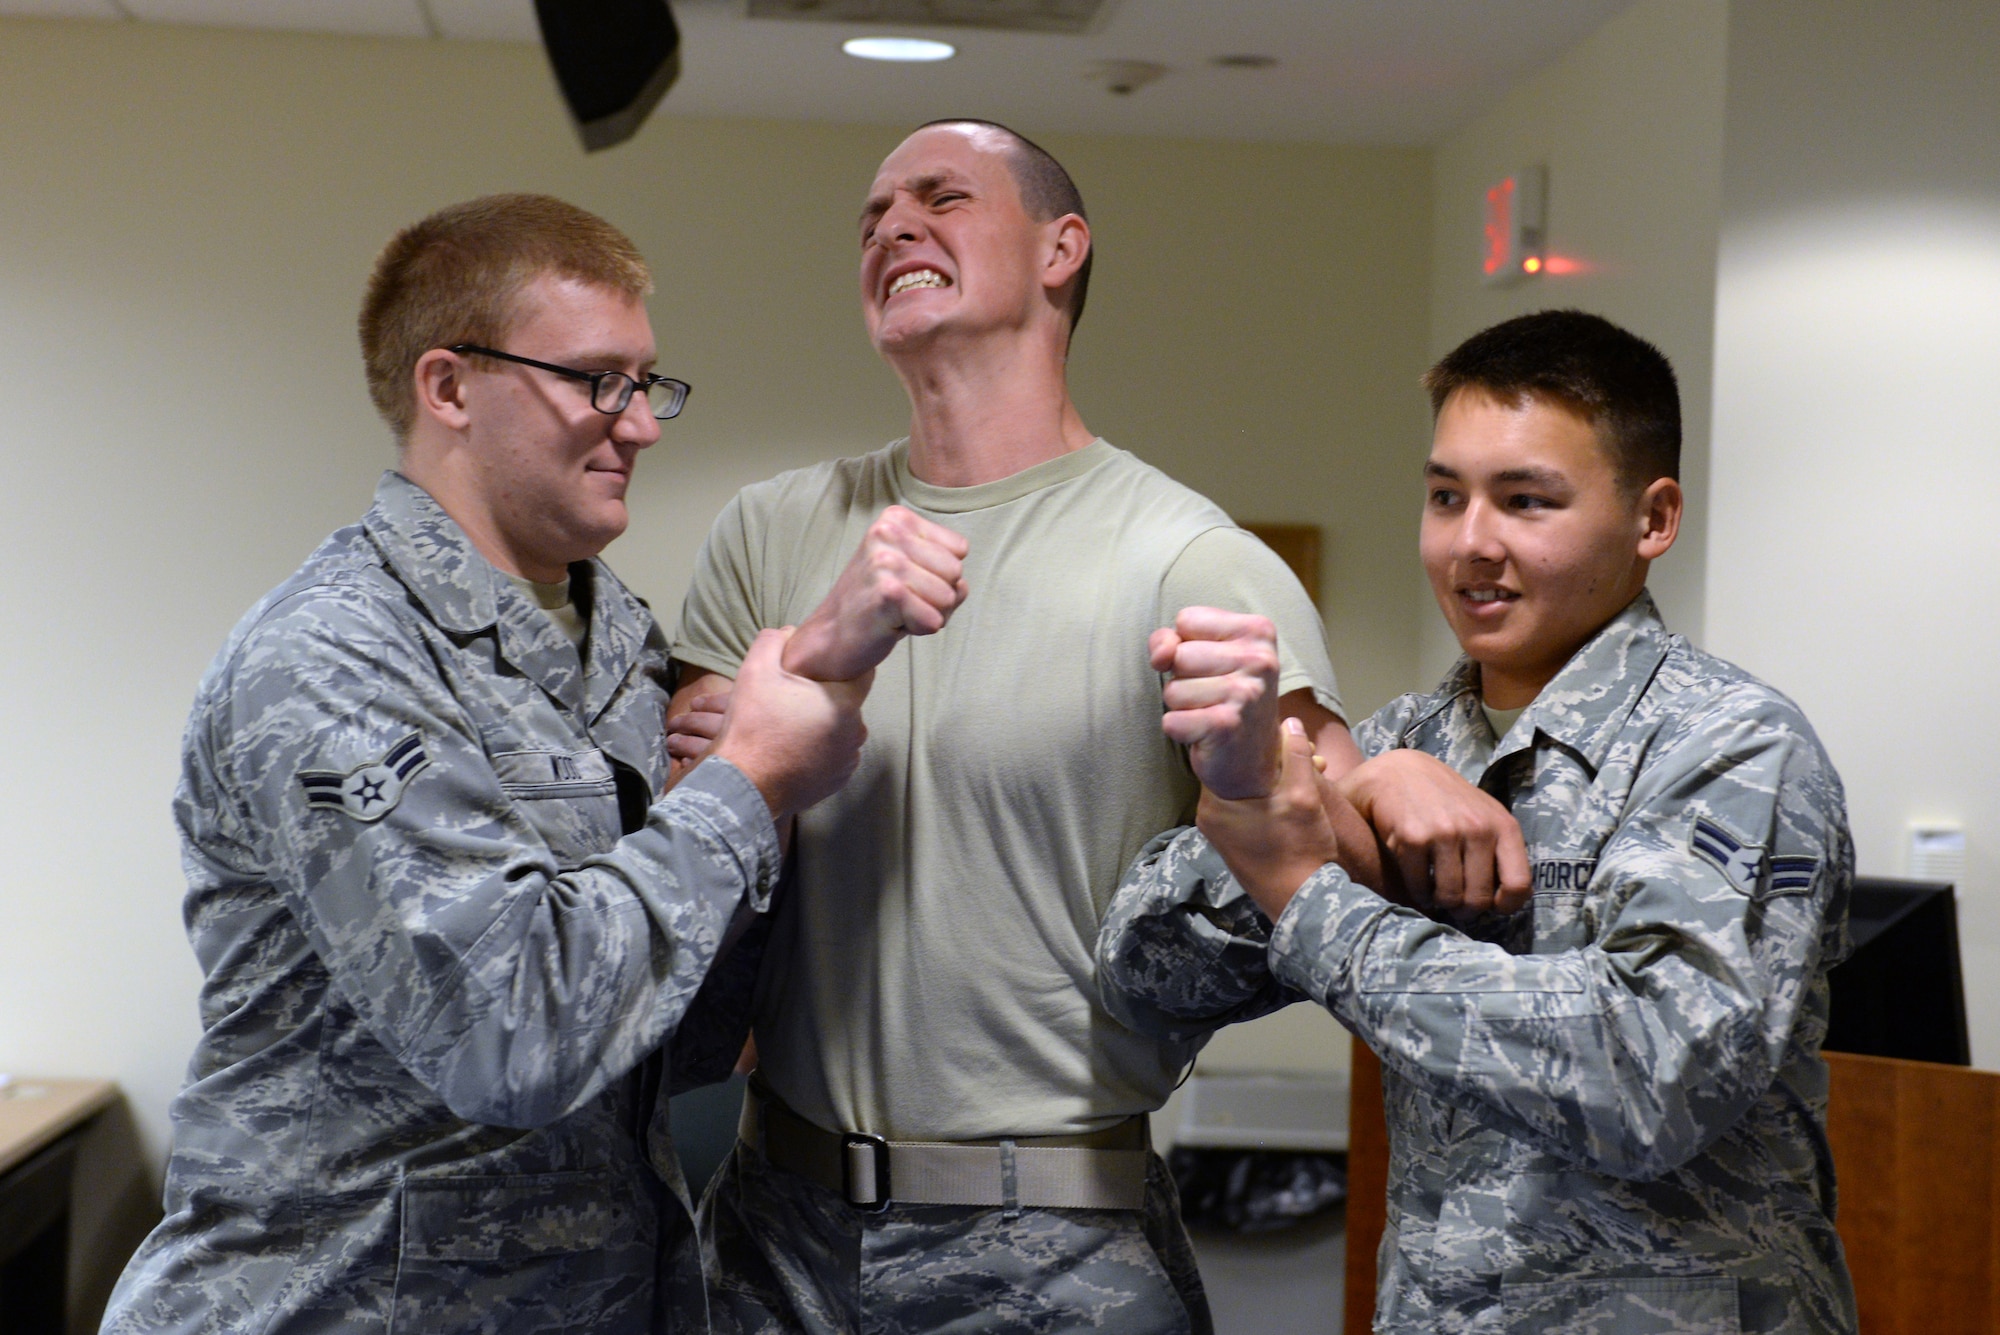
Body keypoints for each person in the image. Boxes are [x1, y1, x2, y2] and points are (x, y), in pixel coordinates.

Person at [101, 194, 871, 1335]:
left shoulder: (618, 645)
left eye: (646, 381)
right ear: (449, 387)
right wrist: (744, 786)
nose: (642, 423)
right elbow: (508, 1035)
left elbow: (668, 1043)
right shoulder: (334, 657)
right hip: (338, 1302)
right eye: (595, 380)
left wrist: (777, 807)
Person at [665, 120, 1355, 1333]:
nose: (890, 228)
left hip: (1051, 1243)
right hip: (778, 1230)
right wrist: (802, 669)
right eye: (870, 216)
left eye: (940, 197)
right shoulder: (771, 534)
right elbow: (688, 830)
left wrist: (1337, 784)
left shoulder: (1188, 559)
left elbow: (1330, 844)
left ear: (1060, 250)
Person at [1098, 309, 1858, 1334]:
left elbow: (1643, 1077)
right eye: (1445, 496)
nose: (1470, 544)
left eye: (1525, 502)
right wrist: (1341, 801)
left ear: (1652, 519)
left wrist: (1314, 902)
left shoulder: (1728, 745)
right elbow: (1139, 974)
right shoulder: (1404, 738)